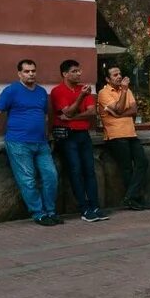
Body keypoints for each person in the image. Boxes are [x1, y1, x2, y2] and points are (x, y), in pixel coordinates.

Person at [0, 59, 60, 226]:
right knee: (28, 180)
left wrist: (48, 136)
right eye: (26, 71)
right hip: (19, 143)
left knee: (51, 176)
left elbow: (45, 117)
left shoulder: (41, 92)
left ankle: (51, 211)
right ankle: (38, 213)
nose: (31, 74)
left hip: (41, 143)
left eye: (33, 71)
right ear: (19, 74)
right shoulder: (11, 91)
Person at [49, 59, 108, 223]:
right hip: (67, 137)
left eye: (79, 71)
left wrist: (72, 116)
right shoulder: (58, 91)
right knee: (75, 171)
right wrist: (81, 97)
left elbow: (92, 112)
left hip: (83, 134)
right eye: (74, 71)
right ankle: (84, 208)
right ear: (65, 74)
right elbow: (67, 111)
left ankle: (95, 206)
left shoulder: (85, 89)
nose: (79, 74)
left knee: (89, 170)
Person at [98, 66, 150, 211]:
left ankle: (130, 196)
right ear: (107, 79)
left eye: (120, 73)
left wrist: (120, 114)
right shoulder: (104, 93)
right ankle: (135, 199)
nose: (119, 76)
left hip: (131, 133)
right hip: (116, 135)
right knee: (127, 168)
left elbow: (133, 110)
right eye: (115, 75)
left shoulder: (127, 90)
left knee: (142, 162)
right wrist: (122, 95)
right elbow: (118, 107)